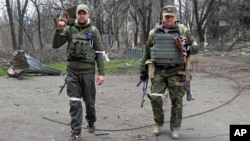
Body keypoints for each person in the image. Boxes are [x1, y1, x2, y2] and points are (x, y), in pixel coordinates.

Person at [139, 5, 199, 139]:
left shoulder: (183, 30)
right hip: (159, 70)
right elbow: (147, 51)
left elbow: (196, 46)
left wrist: (187, 48)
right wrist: (143, 70)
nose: (169, 19)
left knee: (176, 100)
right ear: (162, 17)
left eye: (171, 17)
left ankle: (175, 127)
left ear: (176, 17)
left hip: (176, 71)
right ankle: (158, 123)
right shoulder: (154, 32)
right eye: (166, 17)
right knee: (155, 97)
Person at [52, 3, 105, 141]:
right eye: (79, 13)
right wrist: (58, 30)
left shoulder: (93, 31)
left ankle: (91, 121)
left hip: (87, 72)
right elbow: (56, 45)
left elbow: (99, 53)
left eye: (84, 13)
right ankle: (76, 131)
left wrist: (101, 73)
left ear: (88, 15)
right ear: (76, 14)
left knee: (89, 102)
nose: (81, 15)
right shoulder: (70, 29)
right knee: (74, 102)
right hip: (72, 72)